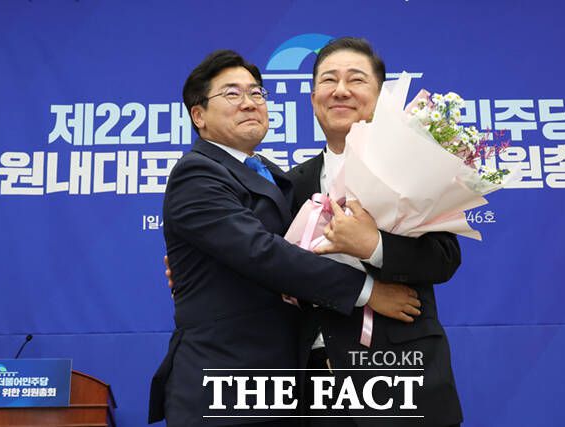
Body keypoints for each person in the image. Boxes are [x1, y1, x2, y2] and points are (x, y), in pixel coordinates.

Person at [149, 49, 421, 427]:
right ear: (199, 115)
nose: (249, 103)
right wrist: (367, 290)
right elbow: (262, 253)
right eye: (232, 94)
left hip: (284, 385)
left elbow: (299, 245)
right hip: (224, 382)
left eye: (256, 93)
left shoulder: (275, 175)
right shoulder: (196, 174)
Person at [288, 37, 463, 427]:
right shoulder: (289, 185)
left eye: (356, 79)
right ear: (313, 98)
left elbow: (445, 258)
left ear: (381, 97)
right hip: (316, 388)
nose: (341, 90)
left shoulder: (414, 167)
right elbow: (264, 262)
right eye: (328, 80)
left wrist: (374, 245)